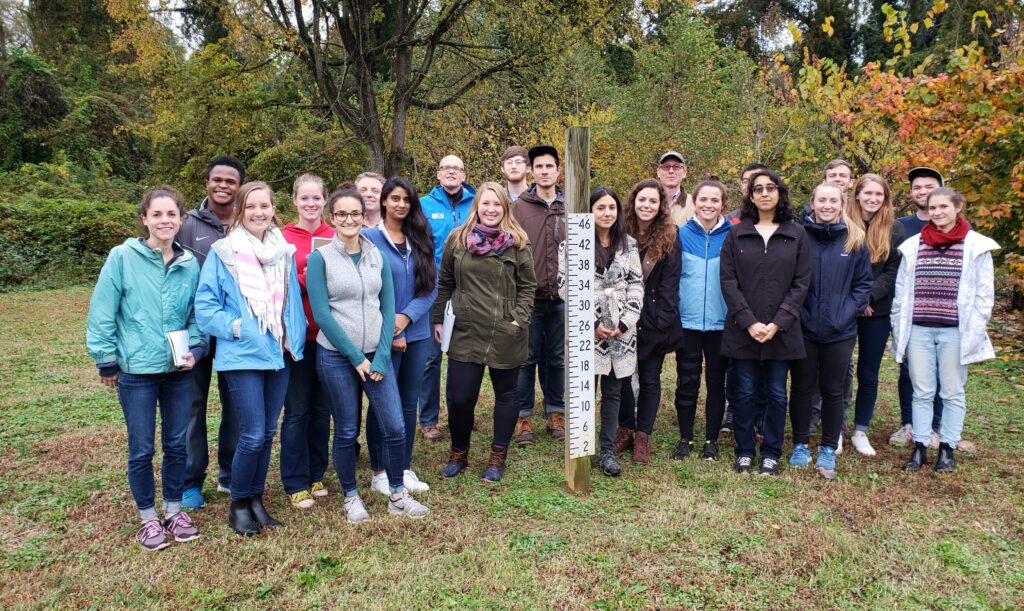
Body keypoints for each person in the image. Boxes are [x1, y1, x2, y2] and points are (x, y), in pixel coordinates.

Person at [87, 186, 206, 551]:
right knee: (141, 447)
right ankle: (148, 518)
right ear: (144, 218)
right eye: (157, 214)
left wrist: (197, 350)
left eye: (171, 214)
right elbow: (103, 310)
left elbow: (196, 315)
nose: (165, 221)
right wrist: (106, 359)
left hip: (177, 371)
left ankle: (174, 511)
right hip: (137, 371)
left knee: (175, 443)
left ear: (181, 219)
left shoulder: (190, 263)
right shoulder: (122, 257)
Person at [307, 188, 430, 522]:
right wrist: (355, 358)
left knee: (394, 425)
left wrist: (379, 357)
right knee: (347, 429)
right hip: (336, 357)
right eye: (342, 214)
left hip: (377, 354)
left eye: (356, 214)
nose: (350, 220)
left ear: (364, 216)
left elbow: (387, 306)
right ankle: (350, 496)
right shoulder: (320, 259)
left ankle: (396, 495)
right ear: (332, 217)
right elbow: (321, 315)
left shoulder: (376, 253)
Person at [194, 181, 306, 536]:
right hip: (243, 356)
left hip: (279, 353)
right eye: (251, 206)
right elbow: (206, 307)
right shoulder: (223, 252)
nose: (259, 212)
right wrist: (239, 327)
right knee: (253, 433)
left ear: (274, 209)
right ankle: (239, 503)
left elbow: (290, 303)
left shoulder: (283, 252)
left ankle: (257, 498)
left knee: (268, 431)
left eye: (265, 206)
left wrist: (294, 337)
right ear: (240, 211)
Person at [434, 183, 536, 483]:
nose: (491, 210)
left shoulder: (518, 242)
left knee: (507, 394)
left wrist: (519, 318)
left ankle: (497, 455)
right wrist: (439, 319)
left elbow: (529, 286)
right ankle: (458, 453)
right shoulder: (458, 239)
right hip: (466, 330)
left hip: (505, 330)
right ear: (476, 205)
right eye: (486, 203)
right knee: (460, 397)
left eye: (497, 205)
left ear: (506, 209)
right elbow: (446, 282)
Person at [892, 187, 999, 472]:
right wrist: (898, 326)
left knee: (952, 392)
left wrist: (975, 330)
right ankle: (920, 447)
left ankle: (948, 449)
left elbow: (984, 295)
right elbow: (901, 291)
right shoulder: (914, 245)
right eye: (933, 207)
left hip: (955, 331)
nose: (938, 212)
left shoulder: (975, 246)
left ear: (958, 207)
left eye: (943, 207)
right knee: (922, 391)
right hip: (919, 330)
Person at [720, 170, 810, 476]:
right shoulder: (737, 233)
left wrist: (777, 323)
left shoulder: (796, 234)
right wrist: (748, 321)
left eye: (770, 188)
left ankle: (771, 452)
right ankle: (745, 450)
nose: (764, 193)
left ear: (780, 193)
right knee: (743, 393)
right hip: (744, 330)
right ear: (751, 196)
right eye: (758, 189)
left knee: (776, 393)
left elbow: (801, 283)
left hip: (780, 332)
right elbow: (728, 281)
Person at [787, 182, 872, 479]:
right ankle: (800, 444)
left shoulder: (855, 239)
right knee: (801, 388)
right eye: (821, 200)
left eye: (832, 201)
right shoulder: (799, 236)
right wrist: (796, 314)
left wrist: (848, 313)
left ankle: (826, 448)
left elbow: (863, 285)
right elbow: (788, 279)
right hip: (804, 327)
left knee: (834, 391)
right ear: (812, 202)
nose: (826, 205)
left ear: (842, 203)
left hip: (840, 330)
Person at [364, 177, 437, 497]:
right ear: (383, 201)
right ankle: (380, 471)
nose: (401, 204)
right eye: (394, 198)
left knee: (409, 402)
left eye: (406, 199)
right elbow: (366, 289)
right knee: (382, 404)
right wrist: (391, 329)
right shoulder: (369, 238)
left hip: (417, 331)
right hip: (382, 333)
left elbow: (430, 285)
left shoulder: (420, 236)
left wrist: (407, 318)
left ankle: (402, 467)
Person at [179, 155, 245, 510]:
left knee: (236, 402)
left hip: (237, 330)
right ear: (207, 183)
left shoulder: (247, 222)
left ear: (238, 187)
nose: (223, 185)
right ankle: (191, 481)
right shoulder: (186, 225)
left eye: (230, 181)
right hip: (196, 329)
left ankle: (231, 473)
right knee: (192, 404)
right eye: (217, 179)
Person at [568, 187, 643, 476]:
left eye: (612, 207)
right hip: (586, 326)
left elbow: (636, 284)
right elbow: (567, 285)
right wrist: (590, 321)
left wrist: (626, 321)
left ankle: (608, 451)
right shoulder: (575, 243)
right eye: (600, 207)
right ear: (590, 211)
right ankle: (581, 445)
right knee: (585, 389)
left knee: (613, 390)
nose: (607, 213)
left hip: (622, 328)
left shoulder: (629, 244)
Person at [613, 179, 682, 466]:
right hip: (621, 320)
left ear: (661, 206)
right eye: (642, 199)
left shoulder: (670, 237)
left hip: (654, 321)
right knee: (623, 378)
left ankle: (643, 435)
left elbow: (670, 285)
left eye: (653, 201)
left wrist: (659, 321)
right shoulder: (619, 233)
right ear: (633, 201)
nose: (647, 205)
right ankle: (626, 428)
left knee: (650, 379)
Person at [279, 174, 335, 509]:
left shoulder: (335, 235)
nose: (311, 204)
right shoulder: (282, 239)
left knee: (321, 410)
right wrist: (307, 276)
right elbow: (276, 286)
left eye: (316, 198)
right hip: (296, 340)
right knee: (297, 410)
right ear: (295, 200)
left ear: (325, 200)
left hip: (329, 338)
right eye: (305, 198)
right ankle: (295, 480)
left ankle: (317, 474)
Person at [846, 174, 904, 456]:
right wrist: (856, 299)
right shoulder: (843, 223)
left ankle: (860, 430)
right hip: (843, 307)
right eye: (867, 193)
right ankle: (836, 428)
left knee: (868, 372)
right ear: (857, 195)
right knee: (837, 370)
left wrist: (869, 297)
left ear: (885, 198)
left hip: (876, 310)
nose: (872, 199)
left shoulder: (894, 230)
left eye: (878, 194)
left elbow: (893, 271)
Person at [418, 155, 476, 442]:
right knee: (430, 358)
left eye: (457, 168)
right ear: (438, 174)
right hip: (433, 291)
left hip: (469, 289)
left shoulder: (477, 202)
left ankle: (461, 413)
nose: (451, 172)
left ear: (464, 174)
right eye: (446, 168)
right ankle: (428, 419)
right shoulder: (424, 205)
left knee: (464, 357)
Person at [674, 180, 732, 461]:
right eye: (703, 199)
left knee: (716, 382)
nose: (708, 205)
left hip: (722, 323)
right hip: (688, 322)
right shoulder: (681, 235)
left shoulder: (734, 235)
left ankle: (711, 439)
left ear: (723, 204)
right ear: (694, 202)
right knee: (687, 381)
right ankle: (685, 438)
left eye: (715, 200)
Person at [513, 145, 567, 443]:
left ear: (558, 170)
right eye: (539, 167)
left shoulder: (570, 204)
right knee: (526, 358)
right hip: (529, 298)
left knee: (557, 358)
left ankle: (556, 411)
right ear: (531, 171)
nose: (544, 171)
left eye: (550, 166)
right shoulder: (519, 206)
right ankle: (523, 418)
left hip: (562, 297)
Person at [892, 166, 946, 447]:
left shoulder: (956, 226)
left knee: (940, 369)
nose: (922, 192)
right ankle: (908, 424)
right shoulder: (901, 226)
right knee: (908, 368)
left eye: (928, 186)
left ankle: (936, 426)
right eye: (917, 188)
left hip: (945, 312)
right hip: (909, 310)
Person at [722, 162, 769, 434]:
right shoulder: (731, 222)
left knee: (764, 364)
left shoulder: (780, 222)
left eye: (758, 181)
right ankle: (733, 411)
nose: (752, 186)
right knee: (734, 364)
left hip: (768, 303)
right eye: (747, 181)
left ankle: (761, 414)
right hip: (738, 304)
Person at [656, 151, 694, 225]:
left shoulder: (694, 204)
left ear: (684, 172)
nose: (671, 171)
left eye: (676, 167)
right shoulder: (646, 203)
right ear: (658, 172)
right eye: (666, 167)